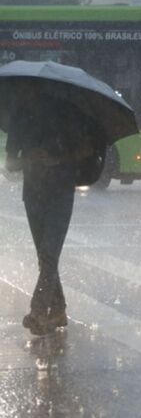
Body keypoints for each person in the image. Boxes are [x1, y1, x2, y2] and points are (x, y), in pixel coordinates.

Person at [5, 81, 94, 336]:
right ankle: (59, 309)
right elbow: (10, 163)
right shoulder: (20, 117)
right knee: (45, 257)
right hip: (33, 195)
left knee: (49, 254)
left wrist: (56, 159)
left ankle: (38, 311)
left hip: (60, 193)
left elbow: (86, 149)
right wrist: (28, 158)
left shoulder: (66, 114)